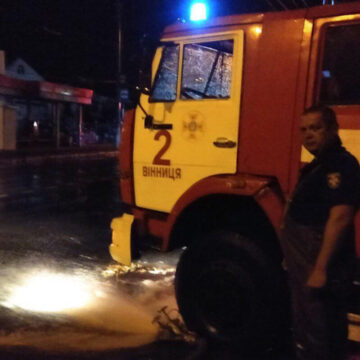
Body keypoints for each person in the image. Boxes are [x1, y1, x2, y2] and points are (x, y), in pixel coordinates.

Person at [281, 105, 360, 360]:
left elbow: (341, 217)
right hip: (304, 258)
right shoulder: (320, 164)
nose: (308, 135)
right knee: (307, 319)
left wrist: (320, 268)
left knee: (321, 325)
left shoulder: (341, 164)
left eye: (316, 128)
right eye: (303, 129)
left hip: (316, 259)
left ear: (333, 129)